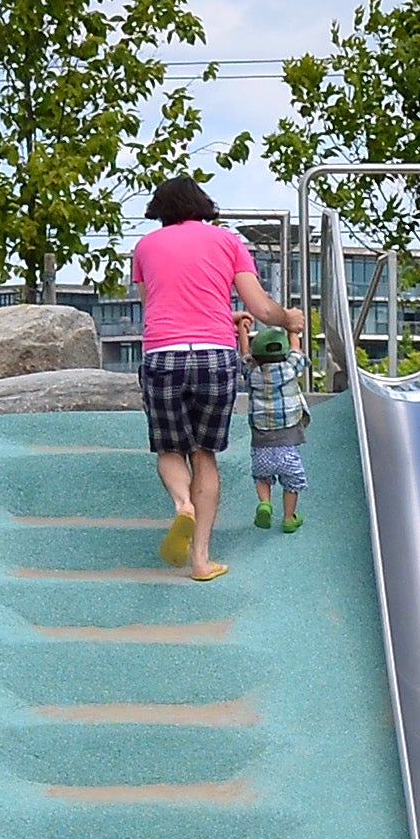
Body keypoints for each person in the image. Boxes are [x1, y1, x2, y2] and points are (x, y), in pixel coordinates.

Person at [132, 176, 284, 580]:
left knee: (169, 450)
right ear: (202, 204)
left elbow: (156, 306)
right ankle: (200, 560)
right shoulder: (228, 241)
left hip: (163, 354)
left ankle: (182, 503)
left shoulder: (145, 247)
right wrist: (288, 319)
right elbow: (262, 309)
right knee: (204, 454)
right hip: (214, 355)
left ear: (160, 209)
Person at [245, 314, 310, 535]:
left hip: (260, 441)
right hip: (288, 441)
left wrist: (242, 330)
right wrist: (293, 330)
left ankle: (265, 503)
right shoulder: (290, 369)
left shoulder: (252, 373)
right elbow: (296, 351)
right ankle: (289, 517)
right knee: (291, 482)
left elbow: (244, 357)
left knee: (262, 476)